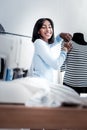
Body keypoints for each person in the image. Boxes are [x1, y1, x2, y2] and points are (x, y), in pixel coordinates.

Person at [31, 18, 72, 83]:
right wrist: (64, 50)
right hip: (40, 84)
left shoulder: (44, 44)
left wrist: (60, 36)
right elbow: (56, 65)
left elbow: (51, 44)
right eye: (44, 27)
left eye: (50, 27)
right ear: (38, 31)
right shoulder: (39, 43)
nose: (48, 30)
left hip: (44, 83)